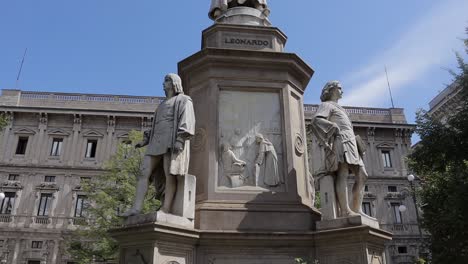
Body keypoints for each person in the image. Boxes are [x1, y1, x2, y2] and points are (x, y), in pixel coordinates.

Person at [122, 73, 195, 217]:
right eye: (164, 80)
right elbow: (156, 125)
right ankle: (136, 208)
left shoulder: (184, 100)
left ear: (175, 83)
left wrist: (180, 140)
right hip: (155, 142)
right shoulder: (161, 105)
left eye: (167, 80)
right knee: (144, 172)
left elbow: (187, 121)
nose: (163, 83)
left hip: (171, 142)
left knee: (170, 175)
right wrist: (145, 139)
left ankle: (166, 208)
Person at [310, 81, 368, 217]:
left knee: (362, 175)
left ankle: (357, 209)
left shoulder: (341, 108)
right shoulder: (326, 105)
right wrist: (333, 127)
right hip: (341, 140)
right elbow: (316, 120)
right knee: (342, 173)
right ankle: (345, 211)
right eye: (340, 88)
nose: (342, 90)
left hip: (351, 141)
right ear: (331, 90)